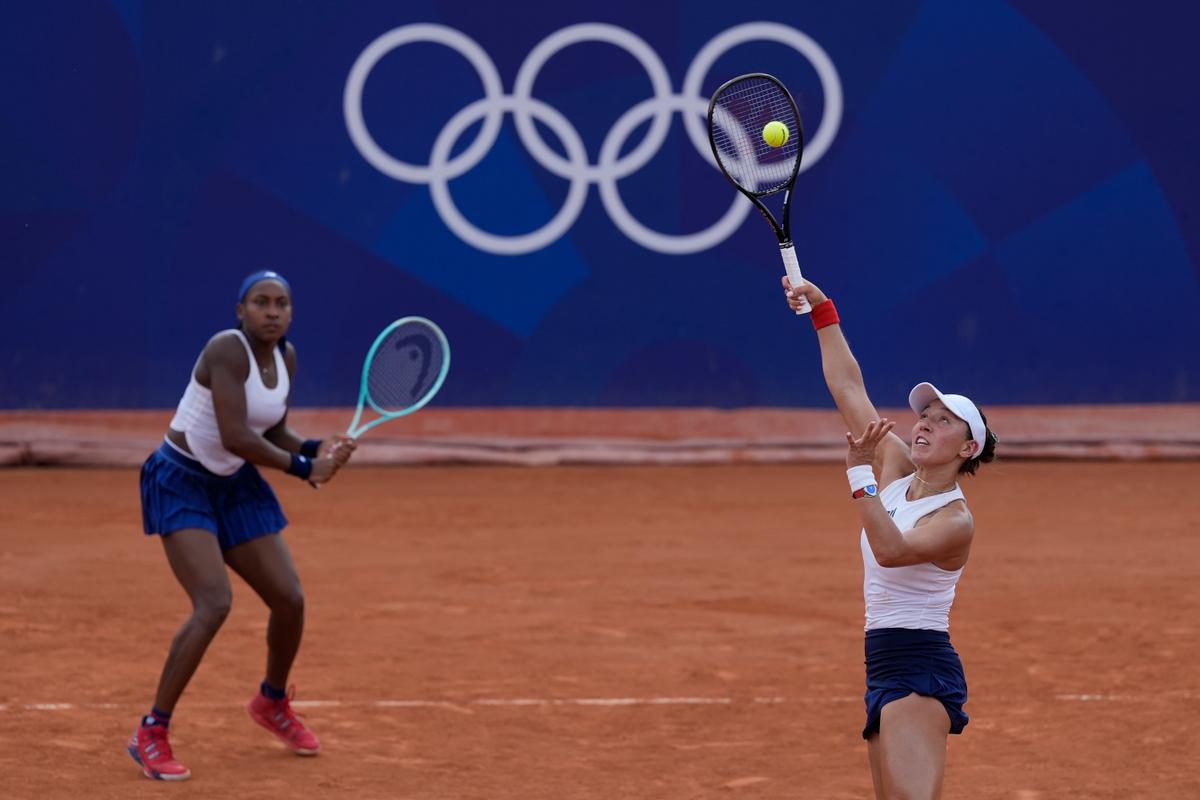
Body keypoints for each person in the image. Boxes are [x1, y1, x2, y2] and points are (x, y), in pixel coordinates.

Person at [127, 270, 357, 781]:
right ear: (240, 310)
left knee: (290, 599)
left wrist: (317, 448)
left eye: (281, 304)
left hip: (234, 487)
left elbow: (270, 427)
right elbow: (234, 434)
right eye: (261, 303)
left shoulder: (286, 357)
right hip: (182, 480)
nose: (272, 312)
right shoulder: (226, 349)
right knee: (213, 602)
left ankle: (271, 702)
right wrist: (303, 469)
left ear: (291, 312)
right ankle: (151, 731)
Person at [783, 276, 997, 800]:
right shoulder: (899, 468)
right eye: (924, 414)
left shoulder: (954, 521)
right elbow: (849, 388)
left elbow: (891, 550)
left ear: (967, 450)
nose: (924, 424)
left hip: (920, 667)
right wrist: (822, 311)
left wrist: (860, 475)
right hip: (881, 661)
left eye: (943, 422)